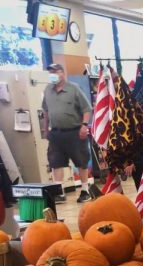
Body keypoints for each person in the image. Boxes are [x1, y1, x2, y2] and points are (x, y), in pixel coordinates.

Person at [42, 63, 93, 203]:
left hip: (75, 132)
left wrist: (84, 126)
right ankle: (59, 191)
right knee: (55, 162)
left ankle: (85, 191)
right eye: (50, 72)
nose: (52, 74)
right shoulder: (47, 90)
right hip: (56, 133)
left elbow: (87, 109)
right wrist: (45, 129)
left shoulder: (74, 89)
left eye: (55, 71)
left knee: (81, 161)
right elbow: (46, 112)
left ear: (62, 73)